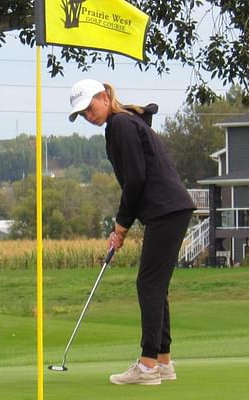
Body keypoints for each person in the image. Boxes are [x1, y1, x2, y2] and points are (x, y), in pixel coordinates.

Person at [68, 79, 196, 385]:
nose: (88, 116)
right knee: (156, 285)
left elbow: (135, 179)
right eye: (82, 114)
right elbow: (136, 180)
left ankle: (148, 365)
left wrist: (121, 224)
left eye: (89, 108)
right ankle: (162, 361)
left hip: (166, 210)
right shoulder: (125, 123)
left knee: (148, 285)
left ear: (103, 97)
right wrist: (123, 224)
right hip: (169, 210)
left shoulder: (120, 125)